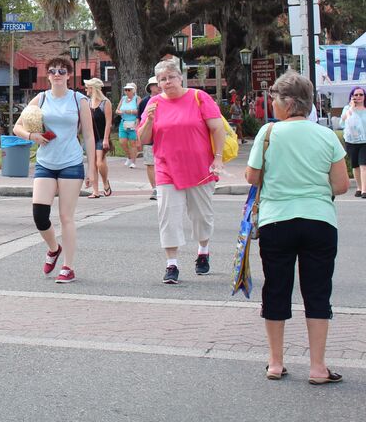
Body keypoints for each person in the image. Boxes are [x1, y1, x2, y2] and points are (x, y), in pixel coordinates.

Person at [246, 72, 349, 383]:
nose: (272, 105)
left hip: (277, 220)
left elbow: (252, 177)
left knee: (276, 288)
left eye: (275, 99)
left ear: (288, 103)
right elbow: (341, 185)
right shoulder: (327, 136)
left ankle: (276, 362)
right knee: (318, 291)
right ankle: (318, 367)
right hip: (319, 220)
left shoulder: (268, 134)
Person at [137, 58, 225, 284]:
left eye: (171, 77)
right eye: (162, 79)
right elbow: (144, 139)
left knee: (201, 217)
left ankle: (203, 251)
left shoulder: (199, 98)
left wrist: (218, 158)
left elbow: (217, 128)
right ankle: (172, 264)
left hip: (200, 168)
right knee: (168, 217)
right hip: (167, 168)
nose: (167, 82)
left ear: (180, 77)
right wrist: (149, 120)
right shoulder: (154, 103)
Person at [12, 56, 96, 284]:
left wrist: (92, 170)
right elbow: (17, 127)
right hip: (45, 163)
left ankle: (68, 267)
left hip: (71, 163)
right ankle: (53, 248)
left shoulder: (79, 100)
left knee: (66, 216)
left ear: (69, 75)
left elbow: (88, 135)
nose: (57, 74)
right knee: (39, 216)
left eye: (61, 71)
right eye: (52, 71)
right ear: (47, 76)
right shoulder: (40, 99)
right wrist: (32, 136)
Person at [83, 77, 113, 197]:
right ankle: (95, 191)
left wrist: (106, 138)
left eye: (87, 88)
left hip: (101, 136)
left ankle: (105, 182)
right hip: (91, 137)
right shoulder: (87, 103)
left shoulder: (105, 102)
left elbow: (108, 122)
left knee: (99, 162)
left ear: (92, 88)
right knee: (93, 163)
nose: (86, 90)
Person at [137, 76, 160, 201]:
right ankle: (155, 188)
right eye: (155, 84)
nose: (158, 86)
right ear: (150, 87)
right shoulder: (145, 101)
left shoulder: (167, 99)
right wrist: (138, 138)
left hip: (163, 138)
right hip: (149, 137)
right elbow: (139, 120)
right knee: (150, 163)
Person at [340, 86, 366, 198]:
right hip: (351, 141)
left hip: (364, 141)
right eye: (356, 95)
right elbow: (343, 121)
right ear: (351, 96)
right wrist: (351, 107)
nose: (358, 97)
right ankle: (359, 188)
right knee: (355, 166)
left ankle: (365, 190)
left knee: (363, 165)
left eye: (361, 94)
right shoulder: (347, 108)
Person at [116, 82, 140, 167]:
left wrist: (129, 111)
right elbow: (117, 110)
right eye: (125, 90)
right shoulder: (123, 99)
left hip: (133, 123)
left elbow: (139, 111)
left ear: (133, 91)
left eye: (128, 90)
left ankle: (133, 162)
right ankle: (129, 156)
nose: (127, 91)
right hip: (124, 122)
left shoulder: (137, 98)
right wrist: (120, 112)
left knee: (133, 143)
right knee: (122, 142)